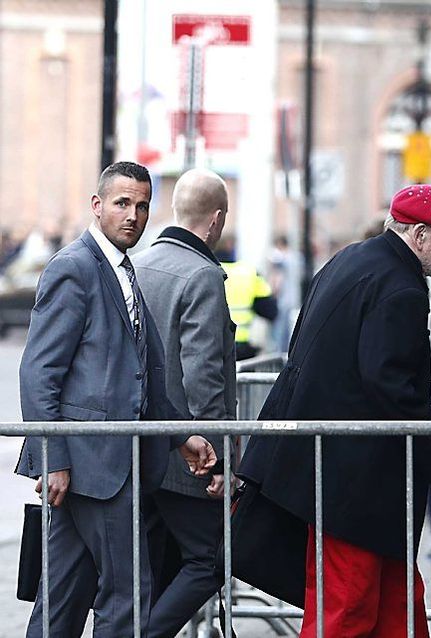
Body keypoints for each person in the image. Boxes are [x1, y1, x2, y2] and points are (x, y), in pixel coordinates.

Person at [237, 184, 431, 637]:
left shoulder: (351, 260)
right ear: (419, 235)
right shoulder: (400, 287)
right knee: (349, 604)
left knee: (392, 602)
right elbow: (391, 386)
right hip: (356, 480)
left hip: (339, 472)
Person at [15, 161, 217, 636]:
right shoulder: (74, 267)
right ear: (97, 205)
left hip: (108, 463)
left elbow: (139, 377)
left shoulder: (123, 267)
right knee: (128, 594)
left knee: (63, 596)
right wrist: (54, 457)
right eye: (122, 203)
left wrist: (180, 435)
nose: (133, 214)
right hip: (93, 464)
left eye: (143, 205)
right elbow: (39, 372)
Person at [133, 168, 237, 637]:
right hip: (189, 455)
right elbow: (204, 376)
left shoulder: (139, 263)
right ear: (215, 220)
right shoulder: (202, 275)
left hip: (142, 446)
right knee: (210, 559)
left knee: (153, 565)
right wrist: (218, 458)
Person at [218, 236, 278, 360]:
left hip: (212, 347)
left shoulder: (202, 270)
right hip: (242, 350)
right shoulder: (249, 272)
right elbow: (271, 311)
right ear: (231, 246)